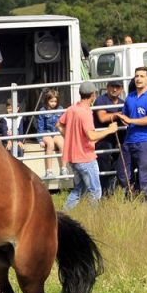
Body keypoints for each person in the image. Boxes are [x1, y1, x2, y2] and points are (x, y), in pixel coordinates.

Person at [57, 81, 118, 210]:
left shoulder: (72, 109)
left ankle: (64, 214)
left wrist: (71, 138)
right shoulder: (85, 112)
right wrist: (109, 130)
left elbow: (59, 125)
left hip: (73, 158)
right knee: (95, 191)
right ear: (93, 95)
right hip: (85, 157)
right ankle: (92, 218)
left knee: (79, 189)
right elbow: (91, 136)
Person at [115, 67, 147, 201]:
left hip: (146, 142)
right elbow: (126, 115)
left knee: (145, 178)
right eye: (136, 76)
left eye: (142, 76)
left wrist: (130, 120)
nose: (138, 79)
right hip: (129, 141)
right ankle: (132, 199)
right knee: (123, 174)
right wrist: (122, 118)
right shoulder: (130, 96)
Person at [93, 79, 124, 195]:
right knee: (103, 165)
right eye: (112, 86)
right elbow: (102, 117)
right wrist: (119, 115)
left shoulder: (122, 102)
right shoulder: (101, 100)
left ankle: (112, 191)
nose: (114, 89)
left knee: (118, 164)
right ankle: (104, 193)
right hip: (103, 137)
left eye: (117, 87)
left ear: (122, 89)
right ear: (107, 87)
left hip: (118, 136)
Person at [36, 90, 65, 179]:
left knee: (62, 144)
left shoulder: (60, 109)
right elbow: (40, 126)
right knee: (50, 145)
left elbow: (63, 123)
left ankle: (63, 168)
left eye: (55, 101)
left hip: (56, 133)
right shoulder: (42, 110)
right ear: (47, 101)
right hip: (46, 133)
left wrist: (64, 135)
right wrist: (40, 139)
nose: (53, 103)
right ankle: (49, 171)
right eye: (51, 101)